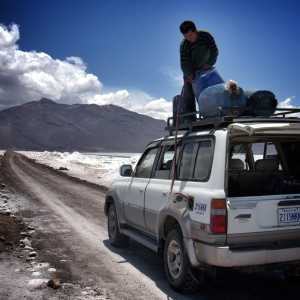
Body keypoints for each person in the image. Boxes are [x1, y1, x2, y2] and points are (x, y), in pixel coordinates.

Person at [179, 20, 224, 107]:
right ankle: (193, 116)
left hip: (207, 68)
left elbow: (214, 50)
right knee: (189, 93)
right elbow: (184, 61)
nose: (189, 38)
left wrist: (210, 63)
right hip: (192, 72)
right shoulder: (184, 44)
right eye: (186, 36)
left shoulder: (205, 36)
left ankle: (220, 108)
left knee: (217, 87)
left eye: (191, 35)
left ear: (195, 31)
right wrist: (189, 74)